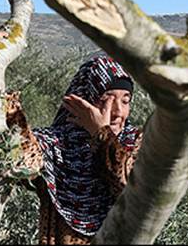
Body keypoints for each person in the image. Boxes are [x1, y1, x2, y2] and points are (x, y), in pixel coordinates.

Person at [9, 54, 143, 244]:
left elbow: (132, 186)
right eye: (106, 99)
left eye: (125, 100)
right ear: (83, 100)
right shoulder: (56, 144)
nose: (117, 112)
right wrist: (4, 103)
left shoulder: (136, 143)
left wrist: (101, 135)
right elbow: (20, 157)